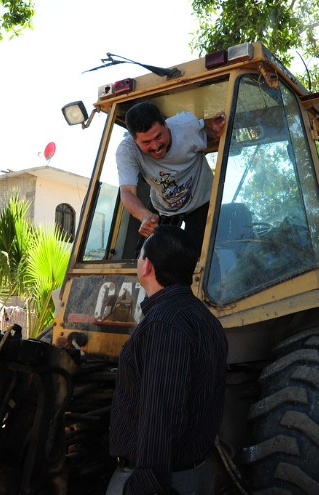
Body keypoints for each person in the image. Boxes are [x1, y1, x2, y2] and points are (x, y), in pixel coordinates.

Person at [107, 225, 228, 495]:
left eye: (139, 256)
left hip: (158, 481)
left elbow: (161, 414)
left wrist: (145, 486)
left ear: (147, 266)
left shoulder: (164, 324)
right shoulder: (206, 320)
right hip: (194, 474)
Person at [116, 101, 227, 248]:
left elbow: (209, 135)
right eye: (146, 142)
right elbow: (127, 191)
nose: (156, 146)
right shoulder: (127, 151)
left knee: (198, 256)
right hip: (162, 206)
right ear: (134, 140)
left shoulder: (187, 125)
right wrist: (145, 216)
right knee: (146, 255)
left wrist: (215, 132)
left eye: (158, 136)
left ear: (165, 124)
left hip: (201, 202)